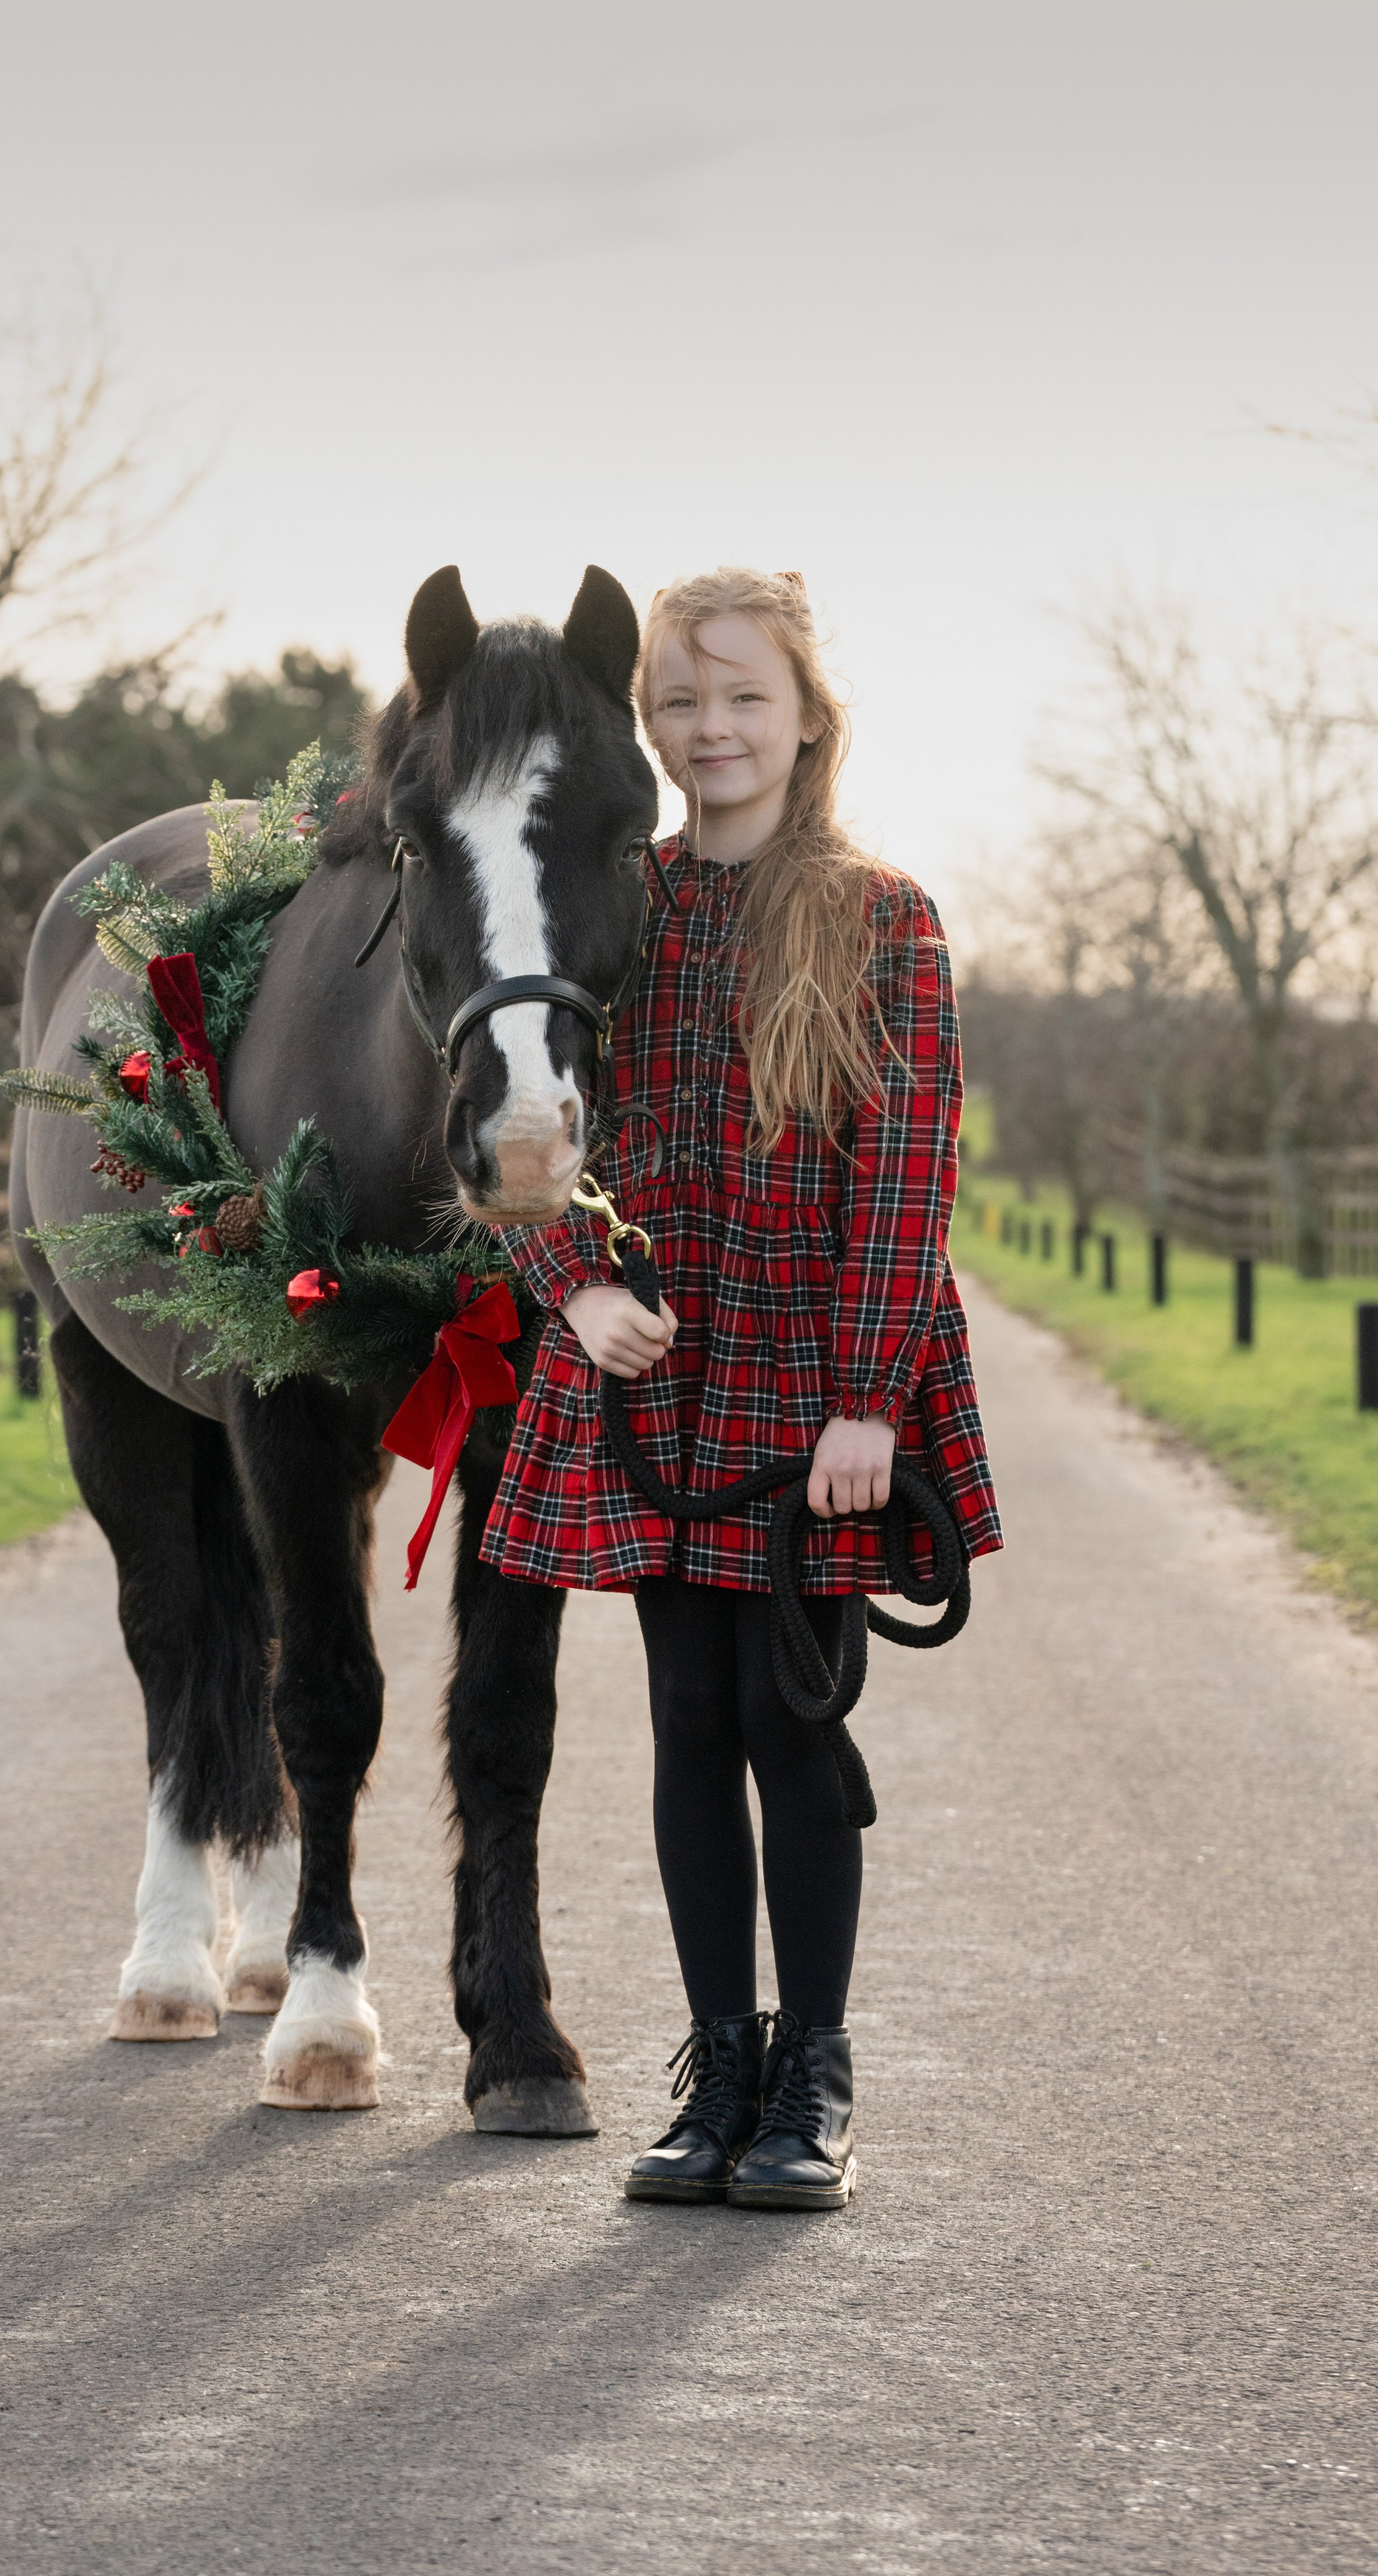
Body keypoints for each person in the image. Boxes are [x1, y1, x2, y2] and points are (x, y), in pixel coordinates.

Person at [481, 566, 1002, 2211]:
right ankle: (719, 2069)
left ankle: (813, 2075)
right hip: (659, 1371)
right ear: (648, 723)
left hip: (812, 1371)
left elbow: (905, 1179)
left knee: (794, 1711)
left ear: (804, 716)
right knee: (687, 1717)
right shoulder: (610, 907)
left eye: (742, 696)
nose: (712, 727)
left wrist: (868, 1397)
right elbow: (514, 1117)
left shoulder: (881, 916)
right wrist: (572, 1286)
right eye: (681, 700)